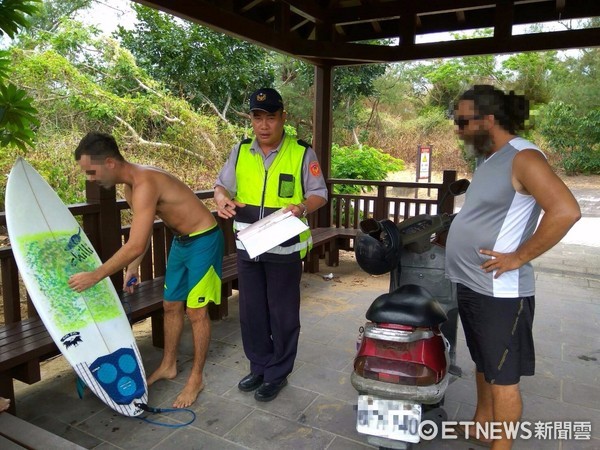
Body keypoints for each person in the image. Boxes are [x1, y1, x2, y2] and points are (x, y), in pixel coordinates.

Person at [446, 85, 581, 449]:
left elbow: (566, 211)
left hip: (500, 292)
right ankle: (481, 424)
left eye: (462, 120)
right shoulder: (490, 159)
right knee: (483, 362)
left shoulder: (524, 157)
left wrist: (518, 257)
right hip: (473, 283)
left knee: (503, 375)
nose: (457, 128)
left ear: (488, 120)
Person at [68, 132, 223, 408]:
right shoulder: (129, 188)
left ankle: (196, 378)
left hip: (204, 239)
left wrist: (95, 275)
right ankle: (168, 365)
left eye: (91, 171)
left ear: (110, 163)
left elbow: (136, 244)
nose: (90, 178)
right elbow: (143, 235)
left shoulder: (144, 183)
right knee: (170, 305)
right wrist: (132, 269)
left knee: (196, 311)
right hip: (181, 241)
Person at [214, 88, 327, 402]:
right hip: (249, 246)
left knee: (283, 314)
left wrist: (302, 206)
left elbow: (320, 193)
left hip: (285, 246)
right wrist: (221, 197)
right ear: (251, 119)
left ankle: (278, 373)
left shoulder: (302, 153)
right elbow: (221, 185)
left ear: (283, 118)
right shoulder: (240, 151)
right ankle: (259, 367)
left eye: (271, 117)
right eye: (257, 117)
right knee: (252, 312)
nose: (264, 125)